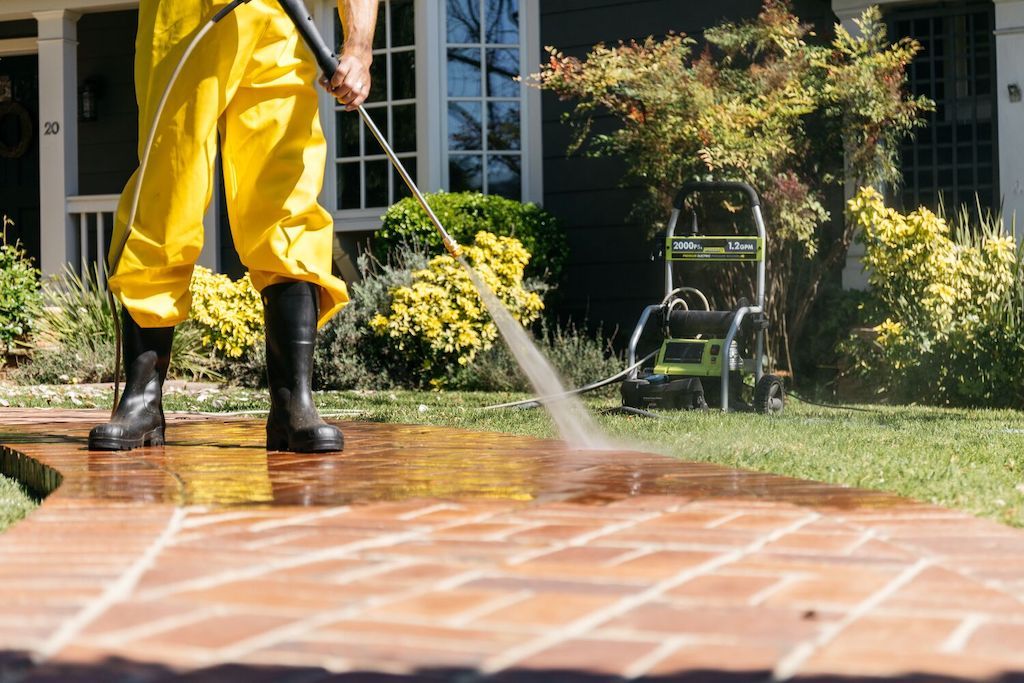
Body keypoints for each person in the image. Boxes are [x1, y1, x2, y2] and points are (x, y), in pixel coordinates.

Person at [88, 0, 378, 453]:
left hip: (281, 21)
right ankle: (142, 401)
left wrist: (358, 48)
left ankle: (292, 403)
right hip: (182, 18)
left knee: (286, 200)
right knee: (168, 193)